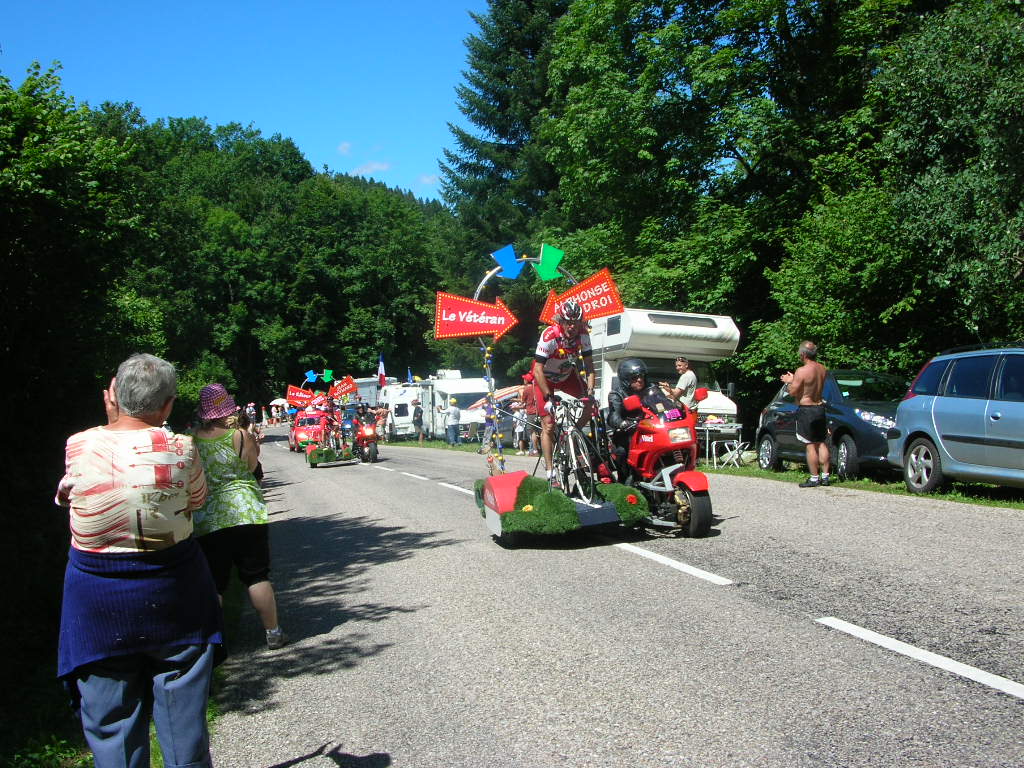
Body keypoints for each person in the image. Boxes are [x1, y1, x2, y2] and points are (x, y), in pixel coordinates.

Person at [54, 353, 222, 768]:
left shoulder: (79, 444)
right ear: (167, 405)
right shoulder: (182, 448)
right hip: (175, 593)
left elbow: (71, 496)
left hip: (97, 602)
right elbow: (197, 501)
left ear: (112, 394)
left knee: (112, 723)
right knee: (184, 723)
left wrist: (112, 417)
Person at [193, 383, 289, 649]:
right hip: (245, 511)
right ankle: (273, 632)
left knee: (215, 582)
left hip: (209, 515)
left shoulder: (192, 439)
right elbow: (252, 467)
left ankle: (213, 642)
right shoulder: (239, 436)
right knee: (256, 575)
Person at [531, 299, 596, 487]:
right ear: (561, 321)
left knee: (590, 404)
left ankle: (572, 433)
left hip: (567, 376)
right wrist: (548, 397)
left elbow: (590, 367)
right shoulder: (549, 335)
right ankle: (551, 471)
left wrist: (591, 391)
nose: (572, 326)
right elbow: (537, 370)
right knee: (549, 425)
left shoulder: (583, 335)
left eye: (576, 322)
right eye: (568, 322)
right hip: (545, 379)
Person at [781, 340, 831, 487]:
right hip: (820, 408)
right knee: (821, 442)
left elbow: (793, 392)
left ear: (803, 354)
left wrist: (789, 381)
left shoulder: (802, 371)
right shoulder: (823, 368)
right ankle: (826, 476)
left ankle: (814, 478)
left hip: (807, 409)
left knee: (810, 444)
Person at [607, 358, 650, 476]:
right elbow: (613, 415)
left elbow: (663, 404)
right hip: (629, 432)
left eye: (641, 376)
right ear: (626, 380)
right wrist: (622, 423)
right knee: (622, 451)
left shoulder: (650, 390)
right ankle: (626, 480)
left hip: (651, 430)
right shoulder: (617, 394)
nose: (640, 380)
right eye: (635, 378)